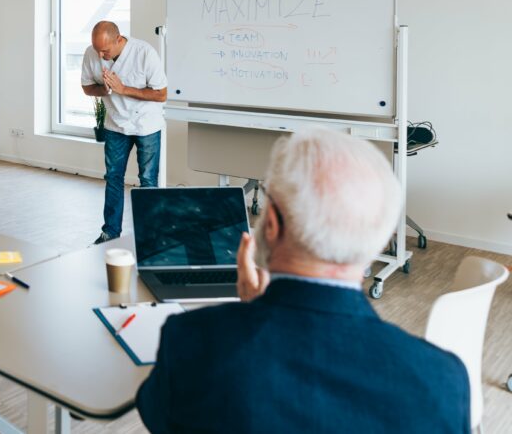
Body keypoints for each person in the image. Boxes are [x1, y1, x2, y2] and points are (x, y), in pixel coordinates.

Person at [135, 128, 470, 433]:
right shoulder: (442, 380)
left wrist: (251, 319)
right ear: (379, 241)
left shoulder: (194, 342)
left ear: (272, 225)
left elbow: (159, 416)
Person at [81, 21, 167, 243]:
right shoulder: (92, 53)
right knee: (113, 177)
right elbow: (87, 86)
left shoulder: (144, 53)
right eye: (97, 49)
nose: (100, 54)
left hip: (146, 124)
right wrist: (105, 89)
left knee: (147, 180)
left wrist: (123, 89)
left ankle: (150, 236)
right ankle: (110, 232)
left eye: (105, 50)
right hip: (115, 124)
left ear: (119, 40)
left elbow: (161, 94)